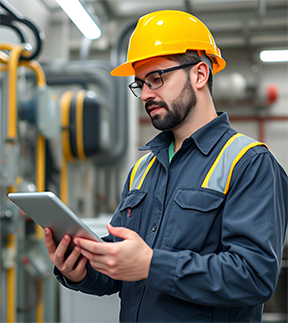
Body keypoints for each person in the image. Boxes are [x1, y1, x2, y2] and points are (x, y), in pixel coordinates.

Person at [45, 10, 288, 323]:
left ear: (200, 74)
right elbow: (122, 271)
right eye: (140, 84)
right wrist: (80, 269)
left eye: (157, 78)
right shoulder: (143, 169)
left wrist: (152, 265)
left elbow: (254, 277)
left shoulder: (250, 163)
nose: (146, 94)